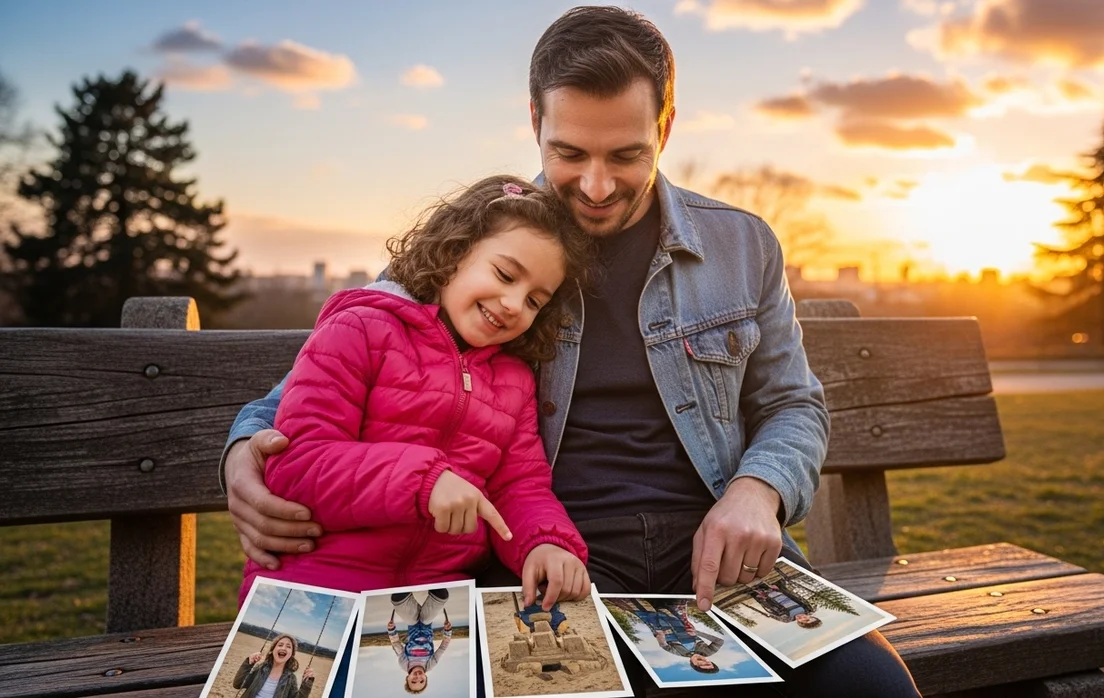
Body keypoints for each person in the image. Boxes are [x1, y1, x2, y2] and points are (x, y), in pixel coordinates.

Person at [221, 7, 920, 696]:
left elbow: (793, 403)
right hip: (551, 554)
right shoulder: (486, 242)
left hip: (720, 549)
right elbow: (336, 365)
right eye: (569, 153)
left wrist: (757, 490)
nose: (595, 185)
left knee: (875, 689)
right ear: (535, 122)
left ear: (665, 128)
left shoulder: (742, 245)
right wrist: (242, 452)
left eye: (626, 155)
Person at [236, 175, 593, 607]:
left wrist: (545, 542)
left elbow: (519, 487)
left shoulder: (514, 381)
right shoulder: (361, 329)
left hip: (432, 606)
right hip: (313, 592)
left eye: (535, 300)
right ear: (454, 251)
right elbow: (299, 465)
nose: (514, 304)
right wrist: (422, 481)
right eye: (504, 274)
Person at [611, 599, 724, 674]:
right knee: (668, 602)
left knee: (637, 607)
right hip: (677, 620)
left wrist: (661, 637)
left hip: (660, 626)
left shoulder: (679, 653)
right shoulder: (709, 651)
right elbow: (719, 641)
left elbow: (664, 645)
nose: (703, 662)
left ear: (694, 665)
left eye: (701, 665)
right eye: (708, 663)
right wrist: (697, 633)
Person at [388, 590, 452, 694]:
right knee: (441, 596)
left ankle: (404, 599)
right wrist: (447, 631)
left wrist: (391, 630)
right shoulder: (429, 665)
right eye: (422, 681)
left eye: (413, 681)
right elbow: (443, 647)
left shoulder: (404, 664)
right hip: (426, 623)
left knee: (397, 599)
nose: (418, 677)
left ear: (407, 677)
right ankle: (436, 596)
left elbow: (396, 644)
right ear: (426, 678)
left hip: (412, 624)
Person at [231, 634, 315, 698]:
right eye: (280, 645)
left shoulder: (291, 678)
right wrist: (248, 663)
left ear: (291, 654)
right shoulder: (261, 668)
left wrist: (306, 683)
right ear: (273, 650)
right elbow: (238, 684)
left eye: (288, 646)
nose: (284, 648)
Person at [746, 579, 822, 629]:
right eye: (809, 617)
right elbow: (797, 597)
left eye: (805, 621)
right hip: (778, 592)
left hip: (767, 597)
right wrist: (781, 589)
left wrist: (762, 598)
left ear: (800, 623)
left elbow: (771, 610)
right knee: (760, 581)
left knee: (750, 583)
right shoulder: (806, 609)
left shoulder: (787, 619)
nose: (804, 617)